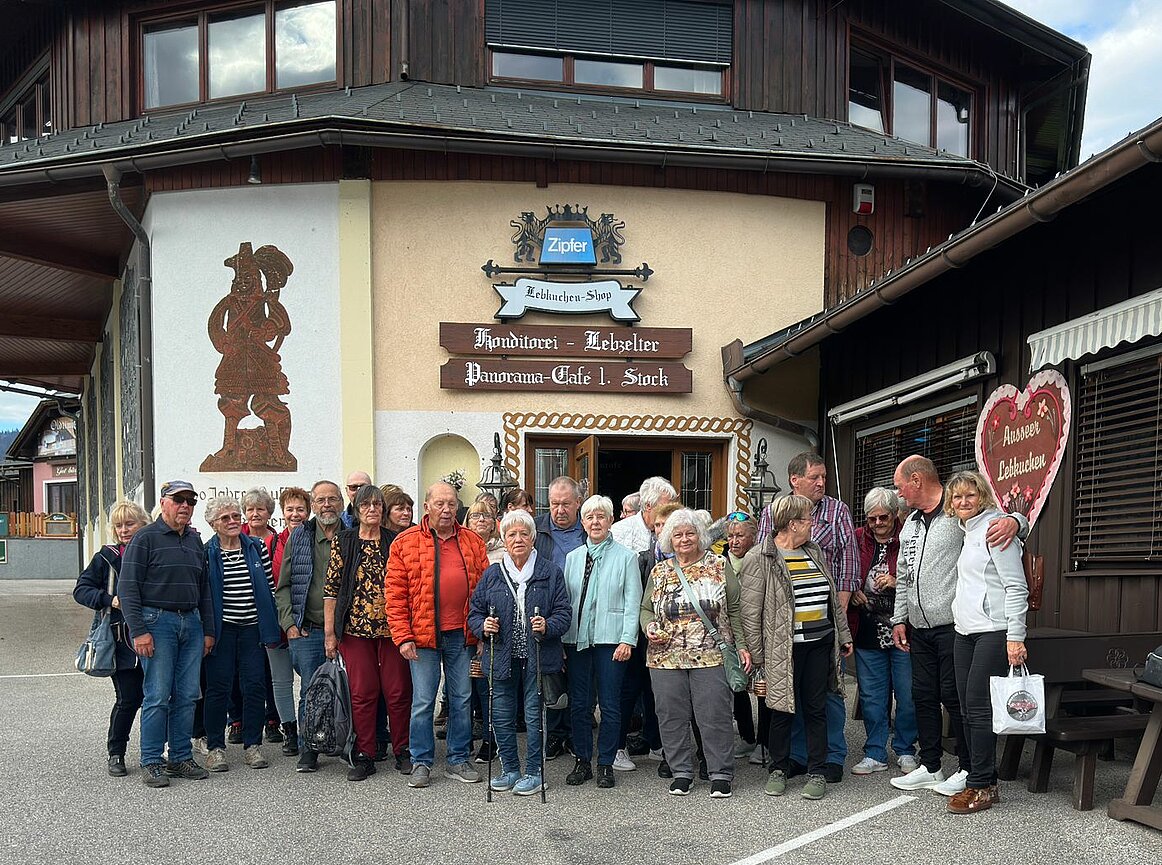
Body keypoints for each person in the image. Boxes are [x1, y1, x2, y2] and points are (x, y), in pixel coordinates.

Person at [889, 455, 1024, 796]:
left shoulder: (959, 518)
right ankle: (930, 766)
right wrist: (900, 617)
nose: (898, 493)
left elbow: (1002, 524)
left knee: (958, 698)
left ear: (916, 480)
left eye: (900, 485)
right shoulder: (912, 523)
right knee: (923, 696)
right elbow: (904, 574)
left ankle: (969, 768)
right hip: (920, 625)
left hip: (956, 625)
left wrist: (1016, 521)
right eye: (959, 496)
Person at [740, 494, 853, 800]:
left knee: (816, 708)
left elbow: (831, 599)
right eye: (808, 519)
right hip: (783, 648)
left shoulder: (813, 551)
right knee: (782, 709)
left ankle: (817, 771)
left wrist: (843, 635)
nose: (812, 524)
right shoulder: (760, 557)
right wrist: (760, 659)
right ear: (792, 524)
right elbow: (750, 612)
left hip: (819, 644)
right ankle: (778, 768)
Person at [757, 453, 860, 783]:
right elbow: (765, 564)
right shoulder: (772, 512)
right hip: (787, 625)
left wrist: (838, 615)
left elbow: (848, 564)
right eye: (814, 477)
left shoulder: (837, 511)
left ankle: (832, 756)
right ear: (794, 480)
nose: (821, 482)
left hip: (824, 621)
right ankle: (797, 756)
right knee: (792, 694)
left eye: (824, 477)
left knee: (829, 693)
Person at [386, 481, 491, 788]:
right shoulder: (404, 543)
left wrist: (481, 633)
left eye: (451, 504)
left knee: (462, 698)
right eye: (440, 504)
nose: (446, 510)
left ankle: (458, 759)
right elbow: (394, 594)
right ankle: (421, 761)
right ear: (427, 506)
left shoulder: (473, 542)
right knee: (422, 701)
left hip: (463, 635)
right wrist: (402, 636)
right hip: (422, 637)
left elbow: (485, 591)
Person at [641, 508, 749, 798]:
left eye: (690, 533)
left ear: (700, 535)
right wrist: (649, 626)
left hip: (711, 655)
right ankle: (681, 772)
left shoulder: (718, 565)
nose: (684, 539)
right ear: (669, 539)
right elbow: (646, 608)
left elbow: (735, 609)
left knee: (714, 715)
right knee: (670, 716)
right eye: (678, 534)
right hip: (665, 657)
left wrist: (741, 645)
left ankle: (720, 773)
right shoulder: (660, 571)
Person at [118, 480, 214, 787]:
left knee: (187, 695)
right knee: (158, 695)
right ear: (163, 503)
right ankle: (151, 760)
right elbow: (127, 588)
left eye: (190, 500)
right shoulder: (145, 538)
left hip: (192, 624)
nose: (185, 505)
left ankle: (180, 757)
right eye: (178, 499)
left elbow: (204, 589)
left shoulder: (195, 541)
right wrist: (139, 631)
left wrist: (208, 631)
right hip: (157, 623)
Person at [468, 510, 571, 796]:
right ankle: (510, 769)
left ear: (533, 538)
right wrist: (483, 626)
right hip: (502, 654)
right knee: (501, 715)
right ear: (503, 539)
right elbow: (474, 612)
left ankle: (535, 773)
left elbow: (564, 613)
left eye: (524, 534)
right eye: (511, 534)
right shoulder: (493, 574)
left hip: (537, 655)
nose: (518, 539)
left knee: (534, 715)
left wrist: (548, 625)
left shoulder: (550, 572)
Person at [946, 471, 1028, 814]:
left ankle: (980, 786)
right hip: (964, 631)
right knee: (966, 708)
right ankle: (985, 779)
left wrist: (1015, 637)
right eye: (957, 497)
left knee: (979, 710)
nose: (964, 501)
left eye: (970, 495)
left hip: (994, 631)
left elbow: (1016, 586)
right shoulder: (967, 531)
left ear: (982, 497)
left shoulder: (996, 529)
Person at [323, 483, 413, 781]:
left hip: (392, 630)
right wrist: (330, 634)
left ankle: (402, 750)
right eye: (366, 504)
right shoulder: (344, 541)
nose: (372, 509)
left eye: (377, 504)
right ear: (357, 509)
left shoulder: (395, 540)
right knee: (363, 692)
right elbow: (331, 590)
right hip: (355, 630)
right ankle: (365, 753)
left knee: (398, 691)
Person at [562, 495, 642, 787]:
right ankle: (582, 760)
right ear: (582, 523)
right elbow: (566, 601)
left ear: (610, 521)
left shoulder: (626, 557)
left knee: (610, 705)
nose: (595, 522)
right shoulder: (573, 558)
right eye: (590, 517)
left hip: (612, 641)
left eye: (601, 516)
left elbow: (633, 603)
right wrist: (562, 641)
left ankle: (606, 762)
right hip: (577, 641)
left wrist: (627, 640)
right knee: (580, 704)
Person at [201, 495, 281, 772]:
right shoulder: (207, 552)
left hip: (252, 629)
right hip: (221, 631)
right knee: (218, 688)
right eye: (225, 518)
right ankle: (215, 748)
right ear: (213, 524)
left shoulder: (256, 547)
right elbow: (203, 596)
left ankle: (252, 745)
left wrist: (271, 626)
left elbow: (269, 587)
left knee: (255, 686)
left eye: (236, 516)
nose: (233, 521)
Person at [73, 500, 151, 777]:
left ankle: (156, 753)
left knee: (157, 698)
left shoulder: (153, 552)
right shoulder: (106, 557)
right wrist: (110, 599)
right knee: (129, 699)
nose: (124, 530)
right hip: (121, 642)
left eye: (130, 524)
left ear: (143, 524)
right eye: (119, 525)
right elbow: (81, 590)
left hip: (155, 637)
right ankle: (116, 752)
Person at [275, 479, 343, 772]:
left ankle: (347, 743)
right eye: (321, 500)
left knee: (351, 689)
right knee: (310, 691)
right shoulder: (300, 536)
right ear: (313, 505)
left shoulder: (351, 533)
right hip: (308, 629)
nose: (327, 505)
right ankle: (308, 748)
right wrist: (289, 624)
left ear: (341, 502)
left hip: (347, 630)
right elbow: (284, 585)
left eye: (332, 499)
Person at [850, 488, 918, 776]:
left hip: (903, 629)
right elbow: (844, 571)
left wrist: (896, 581)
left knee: (907, 693)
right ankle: (875, 751)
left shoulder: (909, 537)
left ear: (895, 514)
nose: (877, 523)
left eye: (883, 517)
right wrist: (852, 590)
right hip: (867, 629)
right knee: (872, 696)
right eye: (872, 518)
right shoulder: (856, 538)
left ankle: (905, 749)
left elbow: (921, 576)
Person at [618, 501, 681, 775]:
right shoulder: (643, 558)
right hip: (643, 636)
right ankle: (618, 745)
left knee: (664, 695)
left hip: (677, 640)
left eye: (667, 525)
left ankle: (660, 744)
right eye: (657, 525)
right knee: (630, 689)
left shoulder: (689, 559)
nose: (661, 530)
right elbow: (634, 599)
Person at [533, 476, 587, 760]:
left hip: (582, 615)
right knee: (552, 678)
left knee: (580, 680)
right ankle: (555, 735)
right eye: (554, 504)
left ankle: (577, 735)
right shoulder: (537, 530)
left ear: (578, 503)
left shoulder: (588, 530)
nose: (560, 510)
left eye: (566, 504)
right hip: (549, 617)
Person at [264, 485, 310, 755]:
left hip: (306, 622)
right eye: (290, 509)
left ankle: (311, 729)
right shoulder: (272, 543)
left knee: (309, 678)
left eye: (300, 509)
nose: (295, 514)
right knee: (281, 680)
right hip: (278, 620)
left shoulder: (313, 539)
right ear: (282, 512)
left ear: (308, 512)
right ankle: (289, 731)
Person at [720, 512, 764, 762]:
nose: (734, 541)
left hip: (757, 630)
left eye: (740, 536)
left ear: (753, 537)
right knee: (736, 685)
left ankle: (764, 742)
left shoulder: (760, 560)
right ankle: (747, 737)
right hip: (730, 632)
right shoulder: (720, 562)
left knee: (762, 687)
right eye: (731, 536)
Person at [611, 476, 677, 553]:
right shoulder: (620, 530)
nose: (670, 513)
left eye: (672, 508)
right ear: (648, 506)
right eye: (665, 507)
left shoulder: (676, 529)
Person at [465, 500, 504, 564]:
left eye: (487, 515)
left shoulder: (504, 553)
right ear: (468, 523)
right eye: (475, 515)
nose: (481, 519)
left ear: (493, 524)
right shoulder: (460, 549)